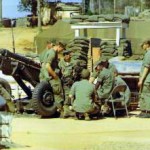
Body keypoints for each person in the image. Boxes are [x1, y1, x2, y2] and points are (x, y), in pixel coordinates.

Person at [39, 41, 66, 112]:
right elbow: (47, 66)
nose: (61, 51)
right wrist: (55, 76)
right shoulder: (52, 53)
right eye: (62, 49)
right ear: (59, 47)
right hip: (49, 76)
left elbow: (43, 64)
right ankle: (61, 110)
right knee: (58, 90)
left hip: (44, 75)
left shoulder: (50, 51)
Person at [58, 49, 75, 118]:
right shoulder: (61, 63)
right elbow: (59, 72)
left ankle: (68, 109)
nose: (66, 56)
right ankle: (65, 109)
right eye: (64, 55)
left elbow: (75, 73)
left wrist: (72, 79)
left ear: (69, 55)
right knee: (64, 94)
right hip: (63, 81)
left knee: (70, 95)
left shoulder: (73, 62)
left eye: (67, 54)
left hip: (71, 81)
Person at [137, 39, 150, 118]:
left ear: (148, 44)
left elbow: (146, 67)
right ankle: (143, 110)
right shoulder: (147, 53)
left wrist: (141, 80)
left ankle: (148, 111)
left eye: (143, 44)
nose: (142, 46)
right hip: (146, 78)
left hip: (147, 79)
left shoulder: (148, 54)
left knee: (146, 94)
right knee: (143, 94)